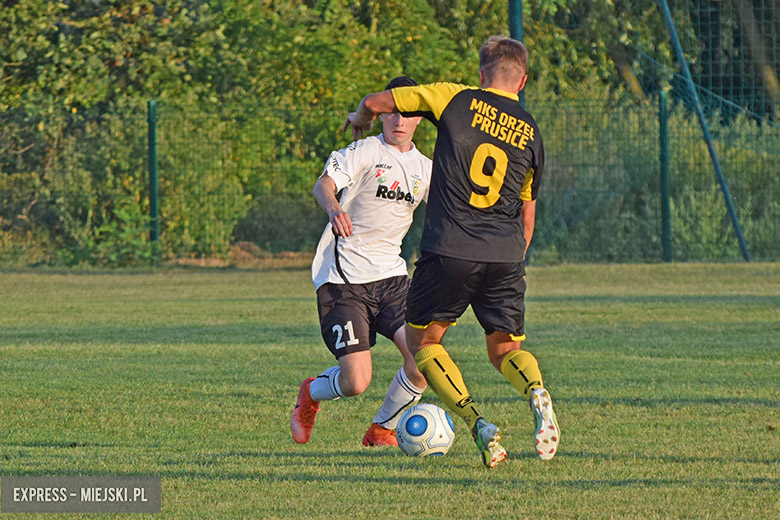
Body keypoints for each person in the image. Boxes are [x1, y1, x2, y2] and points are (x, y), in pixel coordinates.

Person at [342, 36, 559, 468]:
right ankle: (536, 390)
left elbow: (379, 101)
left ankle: (479, 423)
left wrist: (362, 114)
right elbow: (528, 214)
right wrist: (511, 258)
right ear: (523, 82)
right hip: (505, 253)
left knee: (424, 345)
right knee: (504, 351)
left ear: (482, 75)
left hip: (449, 250)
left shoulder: (456, 98)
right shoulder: (531, 131)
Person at [291, 76, 432, 448]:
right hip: (343, 280)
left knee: (425, 362)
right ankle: (310, 393)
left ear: (420, 119)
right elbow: (324, 184)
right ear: (382, 114)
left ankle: (381, 429)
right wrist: (334, 207)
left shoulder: (426, 169)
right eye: (392, 112)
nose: (399, 120)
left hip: (392, 278)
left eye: (409, 114)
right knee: (356, 382)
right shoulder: (364, 152)